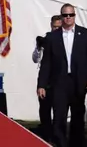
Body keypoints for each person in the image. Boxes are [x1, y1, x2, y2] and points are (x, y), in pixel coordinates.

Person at [37, 4, 87, 147]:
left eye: (71, 15)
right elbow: (46, 63)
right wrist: (41, 85)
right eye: (65, 15)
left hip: (79, 82)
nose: (68, 18)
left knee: (78, 118)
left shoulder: (86, 34)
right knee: (59, 118)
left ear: (74, 16)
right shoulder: (52, 37)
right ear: (62, 16)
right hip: (59, 83)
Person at [33, 14, 63, 142]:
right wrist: (39, 48)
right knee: (44, 110)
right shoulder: (47, 39)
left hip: (60, 80)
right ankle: (46, 135)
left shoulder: (65, 40)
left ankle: (57, 136)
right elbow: (35, 59)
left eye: (58, 27)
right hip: (46, 80)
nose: (56, 29)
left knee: (58, 111)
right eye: (54, 27)